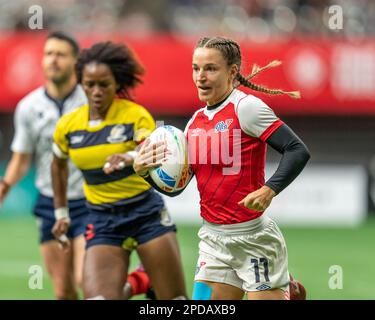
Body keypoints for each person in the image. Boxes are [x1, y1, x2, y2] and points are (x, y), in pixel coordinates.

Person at [133, 36, 310, 300]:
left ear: (232, 72)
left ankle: (287, 292)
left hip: (254, 239)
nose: (200, 76)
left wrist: (269, 190)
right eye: (196, 68)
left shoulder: (245, 108)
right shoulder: (194, 123)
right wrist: (145, 173)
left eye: (210, 68)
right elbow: (176, 188)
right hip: (213, 242)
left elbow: (297, 150)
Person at [0, 32, 152, 300]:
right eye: (48, 54)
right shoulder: (28, 107)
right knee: (64, 291)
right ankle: (140, 279)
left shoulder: (94, 98)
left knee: (88, 281)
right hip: (50, 203)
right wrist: (5, 186)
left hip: (89, 202)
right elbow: (22, 158)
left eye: (61, 54)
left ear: (75, 62)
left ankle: (140, 279)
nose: (53, 60)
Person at [51, 41, 187, 300]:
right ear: (81, 83)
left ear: (117, 84)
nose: (96, 91)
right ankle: (138, 282)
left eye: (104, 84)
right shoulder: (68, 126)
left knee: (175, 302)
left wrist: (129, 157)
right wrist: (61, 213)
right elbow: (57, 165)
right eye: (90, 84)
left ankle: (139, 282)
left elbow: (154, 151)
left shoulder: (135, 116)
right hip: (103, 220)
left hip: (146, 214)